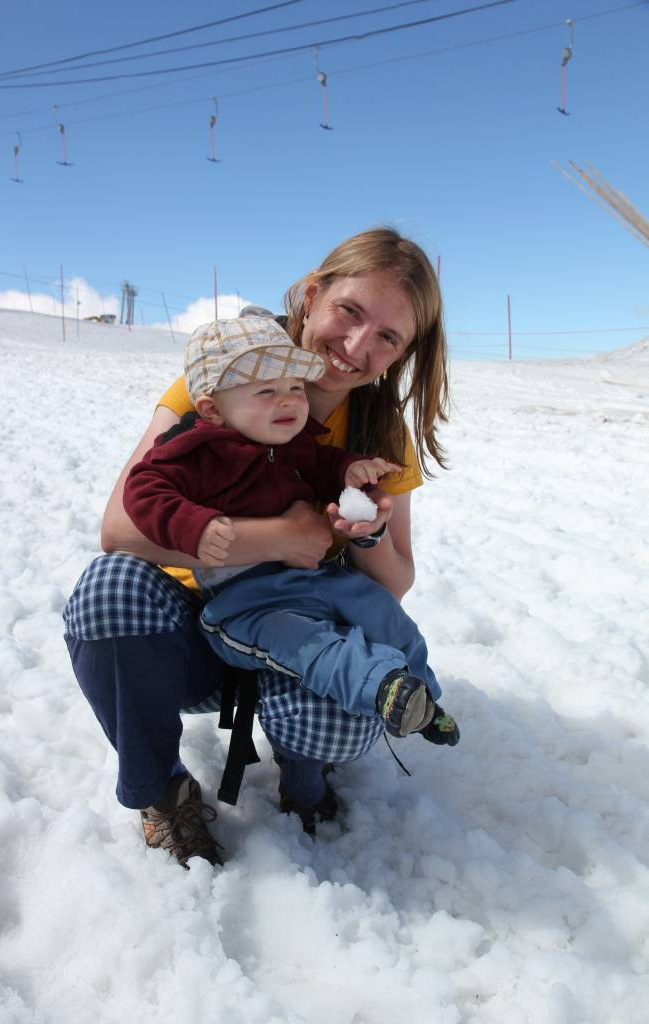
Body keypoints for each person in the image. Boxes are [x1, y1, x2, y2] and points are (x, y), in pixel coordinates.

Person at [63, 226, 452, 869]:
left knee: (344, 714)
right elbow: (119, 528)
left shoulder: (379, 433)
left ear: (404, 352)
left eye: (388, 336)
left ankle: (304, 766)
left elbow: (393, 584)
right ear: (312, 294)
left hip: (298, 634)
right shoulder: (220, 381)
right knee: (108, 591)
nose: (357, 346)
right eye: (349, 311)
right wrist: (278, 538)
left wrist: (369, 532)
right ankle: (162, 791)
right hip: (188, 635)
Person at [123, 315, 460, 744]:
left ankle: (424, 696)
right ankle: (382, 688)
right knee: (307, 643)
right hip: (244, 601)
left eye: (296, 388)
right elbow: (143, 489)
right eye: (266, 391)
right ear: (212, 409)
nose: (288, 401)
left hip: (313, 578)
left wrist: (350, 470)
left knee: (380, 609)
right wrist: (196, 526)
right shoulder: (194, 453)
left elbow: (323, 465)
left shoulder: (293, 444)